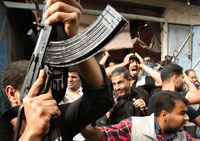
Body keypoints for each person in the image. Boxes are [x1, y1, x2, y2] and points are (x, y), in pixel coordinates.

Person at [0, 0, 114, 140]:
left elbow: (100, 100)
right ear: (12, 93)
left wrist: (74, 38)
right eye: (39, 88)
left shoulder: (58, 118)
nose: (47, 94)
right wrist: (32, 133)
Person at [81, 91, 200, 140]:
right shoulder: (133, 127)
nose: (187, 118)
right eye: (182, 113)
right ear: (164, 115)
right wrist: (79, 121)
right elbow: (101, 135)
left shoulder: (182, 136)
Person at [148, 63, 200, 138]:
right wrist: (188, 80)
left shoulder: (178, 104)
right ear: (175, 78)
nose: (184, 81)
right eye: (182, 78)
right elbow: (197, 96)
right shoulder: (161, 97)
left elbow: (197, 118)